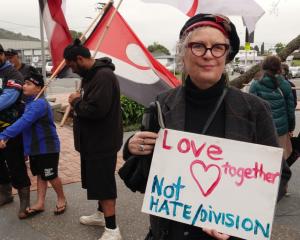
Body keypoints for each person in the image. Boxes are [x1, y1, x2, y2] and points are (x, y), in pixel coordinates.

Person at [122, 14, 291, 240]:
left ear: (226, 55)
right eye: (198, 46)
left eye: (218, 47)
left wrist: (237, 218)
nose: (209, 55)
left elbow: (279, 176)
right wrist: (133, 147)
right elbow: (144, 181)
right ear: (183, 53)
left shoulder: (254, 109)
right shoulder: (162, 105)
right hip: (170, 233)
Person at [64, 39, 123, 240]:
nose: (72, 70)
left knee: (104, 185)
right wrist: (76, 108)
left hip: (102, 142)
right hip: (92, 141)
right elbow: (88, 106)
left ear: (79, 59)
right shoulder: (90, 77)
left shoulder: (103, 76)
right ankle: (100, 215)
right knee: (97, 182)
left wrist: (76, 101)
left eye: (72, 65)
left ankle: (113, 229)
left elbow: (97, 110)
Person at [0, 71, 66, 218]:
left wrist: (4, 136)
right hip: (35, 148)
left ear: (39, 88)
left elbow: (23, 123)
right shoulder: (29, 103)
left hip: (47, 147)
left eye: (29, 84)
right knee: (40, 175)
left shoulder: (39, 104)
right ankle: (40, 202)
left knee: (50, 175)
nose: (24, 86)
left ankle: (61, 198)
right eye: (24, 83)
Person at [0, 43, 31, 219]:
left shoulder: (12, 74)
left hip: (11, 129)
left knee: (16, 165)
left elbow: (8, 97)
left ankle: (25, 202)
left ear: (1, 55)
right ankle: (5, 194)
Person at [250, 56, 296, 161]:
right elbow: (290, 111)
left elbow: (251, 111)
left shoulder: (255, 85)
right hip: (281, 132)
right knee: (280, 162)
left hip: (262, 132)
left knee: (263, 163)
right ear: (279, 69)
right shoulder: (285, 85)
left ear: (263, 67)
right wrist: (291, 128)